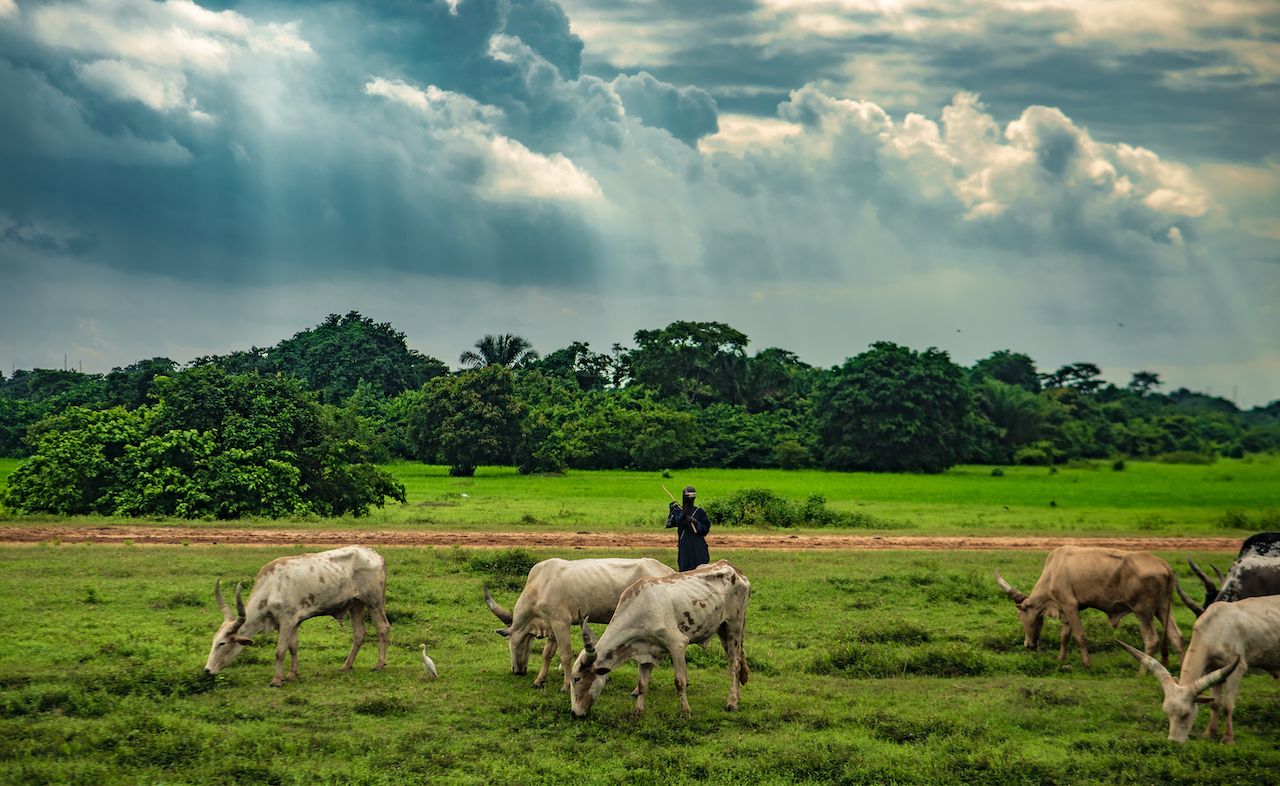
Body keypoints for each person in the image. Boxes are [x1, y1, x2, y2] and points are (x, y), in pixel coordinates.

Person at [666, 485, 710, 571]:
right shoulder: (678, 511)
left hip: (698, 546)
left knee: (701, 570)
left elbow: (705, 530)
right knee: (685, 570)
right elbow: (672, 523)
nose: (689, 500)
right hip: (685, 546)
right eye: (687, 497)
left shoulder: (699, 512)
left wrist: (695, 521)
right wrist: (672, 511)